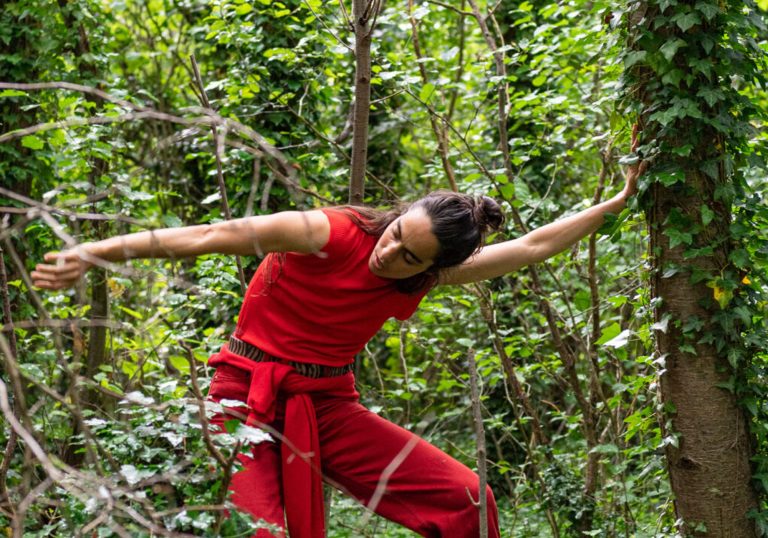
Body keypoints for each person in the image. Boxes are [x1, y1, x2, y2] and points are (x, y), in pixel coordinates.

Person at [31, 136, 645, 538]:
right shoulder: (323, 231)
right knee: (257, 531)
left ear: (432, 271)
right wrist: (92, 250)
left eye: (410, 259)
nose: (390, 255)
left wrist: (615, 203)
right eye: (397, 234)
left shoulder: (426, 277)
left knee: (468, 500)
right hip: (242, 393)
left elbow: (532, 246)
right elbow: (208, 235)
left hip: (328, 405)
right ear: (397, 214)